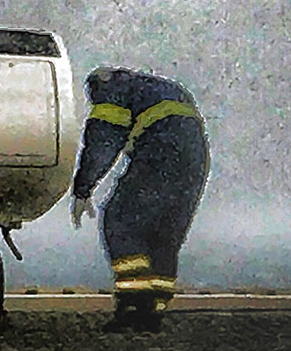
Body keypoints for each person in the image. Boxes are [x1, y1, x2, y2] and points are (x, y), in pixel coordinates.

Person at [68, 66, 209, 333]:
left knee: (121, 221)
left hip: (160, 155)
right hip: (195, 163)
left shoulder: (112, 91)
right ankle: (154, 308)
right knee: (164, 233)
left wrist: (82, 188)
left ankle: (134, 303)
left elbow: (102, 141)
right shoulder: (161, 88)